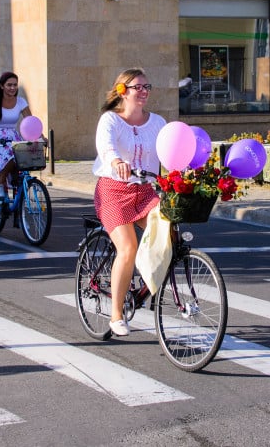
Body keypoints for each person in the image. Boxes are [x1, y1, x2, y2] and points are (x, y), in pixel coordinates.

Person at [92, 68, 165, 337]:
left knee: (167, 233)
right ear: (123, 91)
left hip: (145, 191)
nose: (144, 91)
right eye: (138, 87)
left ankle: (150, 285)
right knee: (128, 247)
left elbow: (168, 151)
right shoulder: (110, 120)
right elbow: (106, 146)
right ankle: (117, 314)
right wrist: (115, 161)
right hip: (113, 190)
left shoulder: (157, 122)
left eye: (147, 86)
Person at [0, 71, 35, 199]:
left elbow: (31, 121)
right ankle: (0, 181)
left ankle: (16, 189)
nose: (12, 88)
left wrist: (40, 136)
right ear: (2, 86)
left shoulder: (21, 102)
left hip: (13, 136)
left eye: (15, 85)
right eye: (9, 85)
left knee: (21, 155)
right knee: (10, 154)